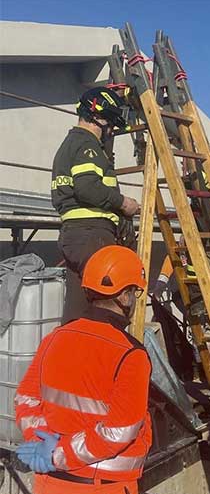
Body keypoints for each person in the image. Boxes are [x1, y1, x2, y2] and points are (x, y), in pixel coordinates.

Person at [14, 245, 152, 494]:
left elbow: (25, 399)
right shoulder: (131, 355)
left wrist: (44, 445)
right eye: (134, 292)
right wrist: (63, 454)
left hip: (50, 493)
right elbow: (119, 432)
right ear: (125, 296)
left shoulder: (55, 338)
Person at [52, 87, 141, 324]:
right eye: (110, 123)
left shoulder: (71, 144)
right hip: (93, 234)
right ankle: (101, 356)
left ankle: (69, 355)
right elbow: (87, 188)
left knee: (78, 309)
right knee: (106, 309)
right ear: (97, 117)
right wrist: (124, 204)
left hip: (76, 235)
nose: (110, 131)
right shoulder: (87, 146)